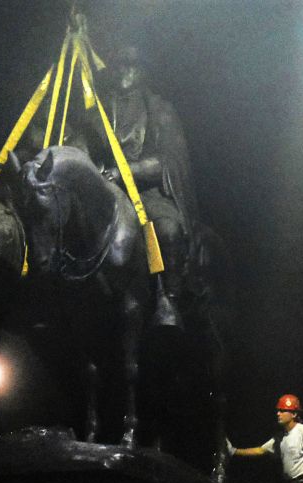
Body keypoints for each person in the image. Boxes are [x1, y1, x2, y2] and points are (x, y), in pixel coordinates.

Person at [93, 44, 201, 324]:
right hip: (106, 188)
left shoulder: (159, 110)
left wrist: (125, 171)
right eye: (120, 65)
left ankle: (170, 299)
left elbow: (167, 159)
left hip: (146, 192)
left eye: (132, 65)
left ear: (143, 71)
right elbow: (85, 143)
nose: (125, 72)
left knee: (167, 229)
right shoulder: (100, 110)